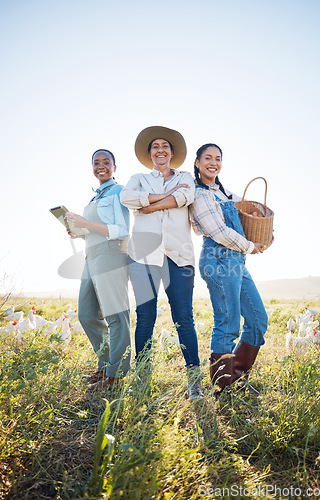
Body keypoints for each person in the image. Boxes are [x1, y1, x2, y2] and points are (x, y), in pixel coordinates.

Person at [120, 126, 203, 401]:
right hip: (143, 258)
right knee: (145, 318)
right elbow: (126, 198)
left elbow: (185, 196)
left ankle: (194, 384)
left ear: (172, 152)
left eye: (165, 146)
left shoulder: (185, 177)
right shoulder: (139, 178)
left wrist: (150, 206)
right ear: (149, 153)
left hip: (179, 257)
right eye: (155, 146)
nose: (160, 150)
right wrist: (163, 199)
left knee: (184, 320)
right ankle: (142, 381)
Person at [189, 143, 269, 396]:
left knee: (258, 320)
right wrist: (249, 245)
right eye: (208, 158)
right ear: (197, 162)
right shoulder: (200, 194)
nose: (213, 162)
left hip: (236, 261)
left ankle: (237, 375)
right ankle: (224, 387)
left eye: (218, 158)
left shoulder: (223, 192)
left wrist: (260, 219)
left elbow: (246, 208)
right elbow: (219, 232)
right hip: (218, 259)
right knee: (228, 322)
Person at [65, 149, 131, 390]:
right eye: (96, 162)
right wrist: (79, 232)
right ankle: (105, 366)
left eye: (106, 162)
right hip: (91, 255)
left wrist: (86, 223)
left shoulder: (118, 192)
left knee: (116, 316)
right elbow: (96, 230)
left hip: (111, 255)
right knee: (87, 314)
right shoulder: (93, 199)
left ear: (115, 166)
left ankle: (116, 375)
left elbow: (121, 229)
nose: (101, 166)